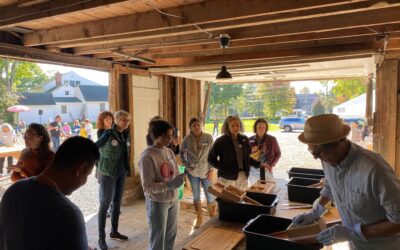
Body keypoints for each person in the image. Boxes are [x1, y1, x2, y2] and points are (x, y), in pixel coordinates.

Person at [292, 114, 400, 249]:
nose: (315, 158)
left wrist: (353, 232)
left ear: (337, 144)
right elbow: (330, 185)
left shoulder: (374, 169)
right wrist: (316, 211)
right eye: (311, 151)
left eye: (317, 153)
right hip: (355, 245)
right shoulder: (327, 159)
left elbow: (398, 221)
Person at [0, 136, 100, 250]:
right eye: (87, 175)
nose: (85, 181)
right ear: (80, 169)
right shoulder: (67, 214)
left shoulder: (13, 191)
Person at [139, 119, 185, 250]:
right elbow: (148, 188)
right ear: (156, 135)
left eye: (171, 135)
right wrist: (169, 185)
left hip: (173, 199)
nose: (169, 139)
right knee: (157, 239)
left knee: (171, 237)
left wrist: (179, 177)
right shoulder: (147, 156)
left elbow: (174, 173)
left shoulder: (169, 152)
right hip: (158, 202)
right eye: (166, 135)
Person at [96, 110, 131, 250]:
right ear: (117, 120)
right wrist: (99, 165)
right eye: (124, 120)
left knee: (117, 203)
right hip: (108, 173)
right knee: (105, 204)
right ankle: (101, 238)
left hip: (121, 172)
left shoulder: (125, 134)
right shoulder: (108, 134)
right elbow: (95, 147)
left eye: (128, 120)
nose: (127, 123)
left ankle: (114, 231)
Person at [208, 116, 268, 191]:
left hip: (243, 177)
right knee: (227, 200)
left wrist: (259, 164)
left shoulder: (244, 139)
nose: (235, 127)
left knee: (241, 200)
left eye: (237, 125)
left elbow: (247, 158)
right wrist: (223, 168)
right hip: (226, 178)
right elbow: (211, 159)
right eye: (232, 126)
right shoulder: (221, 141)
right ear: (227, 127)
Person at [180, 118, 215, 229]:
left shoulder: (208, 138)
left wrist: (211, 170)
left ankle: (213, 218)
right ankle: (199, 218)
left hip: (206, 171)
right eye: (194, 125)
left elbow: (213, 155)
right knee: (196, 195)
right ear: (191, 128)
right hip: (193, 171)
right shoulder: (187, 139)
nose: (197, 126)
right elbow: (181, 153)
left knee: (209, 195)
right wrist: (186, 164)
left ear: (201, 126)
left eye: (198, 124)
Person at [248, 118, 281, 184]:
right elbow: (245, 156)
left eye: (263, 127)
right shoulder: (249, 140)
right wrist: (251, 151)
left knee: (269, 188)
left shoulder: (272, 139)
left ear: (266, 128)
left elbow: (278, 153)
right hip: (253, 169)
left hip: (267, 167)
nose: (261, 129)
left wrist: (271, 165)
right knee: (256, 189)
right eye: (259, 127)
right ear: (255, 128)